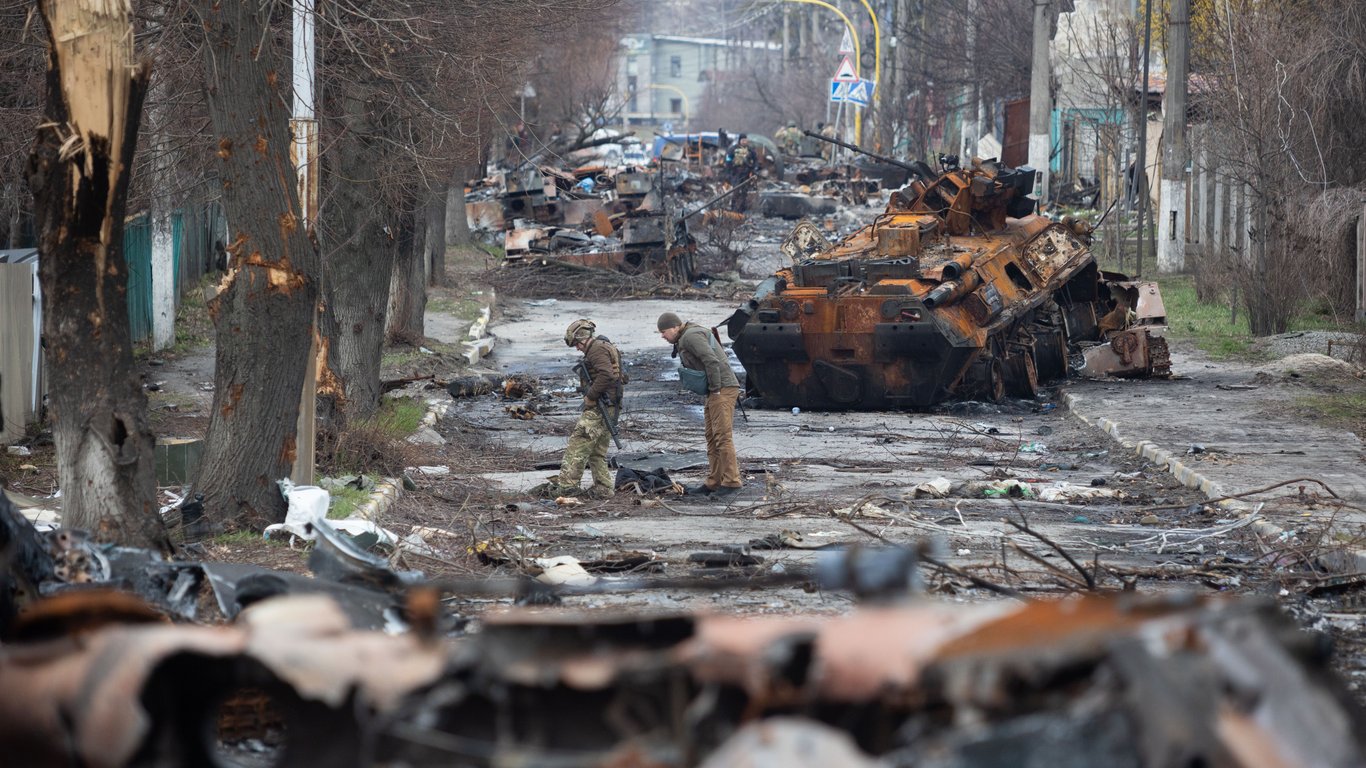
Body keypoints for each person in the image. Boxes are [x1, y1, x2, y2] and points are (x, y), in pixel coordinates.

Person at [656, 312, 742, 499]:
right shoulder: (685, 336)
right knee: (711, 436)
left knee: (722, 437)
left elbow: (711, 360)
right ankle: (714, 482)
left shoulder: (690, 336)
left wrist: (716, 389)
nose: (662, 336)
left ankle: (732, 482)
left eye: (663, 332)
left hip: (722, 389)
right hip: (715, 390)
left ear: (674, 327)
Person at [545, 319, 624, 500]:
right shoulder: (605, 346)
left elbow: (607, 375)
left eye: (577, 344)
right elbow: (619, 377)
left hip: (601, 406)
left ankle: (567, 487)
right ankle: (604, 488)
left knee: (577, 446)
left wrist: (591, 396)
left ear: (582, 338)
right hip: (611, 406)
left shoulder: (596, 349)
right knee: (596, 452)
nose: (577, 348)